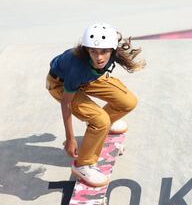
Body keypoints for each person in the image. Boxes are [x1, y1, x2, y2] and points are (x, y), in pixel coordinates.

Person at [46, 22, 145, 187]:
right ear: (87, 50)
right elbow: (65, 103)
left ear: (112, 50)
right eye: (93, 52)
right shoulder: (77, 66)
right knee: (101, 121)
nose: (99, 57)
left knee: (128, 102)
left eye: (104, 52)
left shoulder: (112, 52)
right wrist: (70, 138)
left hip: (88, 79)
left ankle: (99, 127)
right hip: (61, 85)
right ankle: (82, 165)